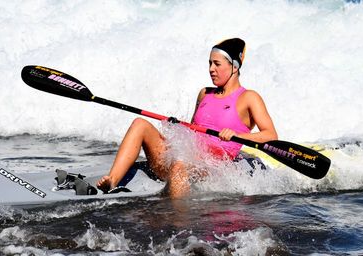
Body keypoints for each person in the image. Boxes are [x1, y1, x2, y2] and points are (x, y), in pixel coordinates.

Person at [97, 38, 278, 198]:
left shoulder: (249, 98)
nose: (211, 69)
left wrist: (237, 136)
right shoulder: (204, 94)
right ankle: (112, 181)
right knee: (140, 124)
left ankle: (178, 222)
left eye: (217, 64)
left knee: (178, 167)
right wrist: (178, 127)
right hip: (185, 159)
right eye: (209, 64)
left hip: (211, 168)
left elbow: (270, 135)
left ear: (235, 66)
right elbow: (192, 132)